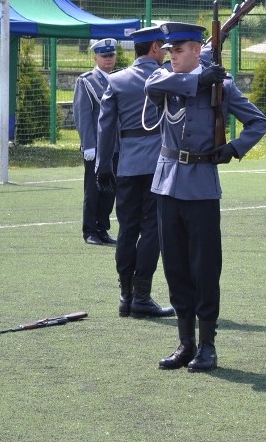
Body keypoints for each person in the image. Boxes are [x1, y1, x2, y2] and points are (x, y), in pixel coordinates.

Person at [144, 22, 266, 372]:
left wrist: (233, 148)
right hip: (168, 183)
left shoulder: (222, 88)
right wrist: (197, 80)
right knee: (175, 267)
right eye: (168, 51)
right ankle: (185, 342)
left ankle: (208, 345)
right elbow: (151, 84)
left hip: (201, 185)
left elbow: (259, 123)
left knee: (205, 268)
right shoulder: (165, 80)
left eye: (178, 50)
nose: (172, 57)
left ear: (196, 50)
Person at [94, 26, 174, 319]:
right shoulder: (167, 78)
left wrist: (103, 167)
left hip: (127, 164)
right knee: (153, 228)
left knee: (127, 229)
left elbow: (105, 127)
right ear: (154, 48)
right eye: (163, 48)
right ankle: (142, 295)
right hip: (158, 164)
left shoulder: (116, 80)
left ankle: (125, 296)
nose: (165, 53)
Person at [73, 38, 119, 246]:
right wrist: (88, 145)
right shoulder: (86, 81)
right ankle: (89, 230)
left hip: (116, 146)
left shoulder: (119, 79)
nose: (108, 59)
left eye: (111, 55)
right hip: (97, 147)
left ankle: (102, 229)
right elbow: (83, 115)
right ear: (96, 57)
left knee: (110, 190)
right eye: (104, 55)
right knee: (93, 190)